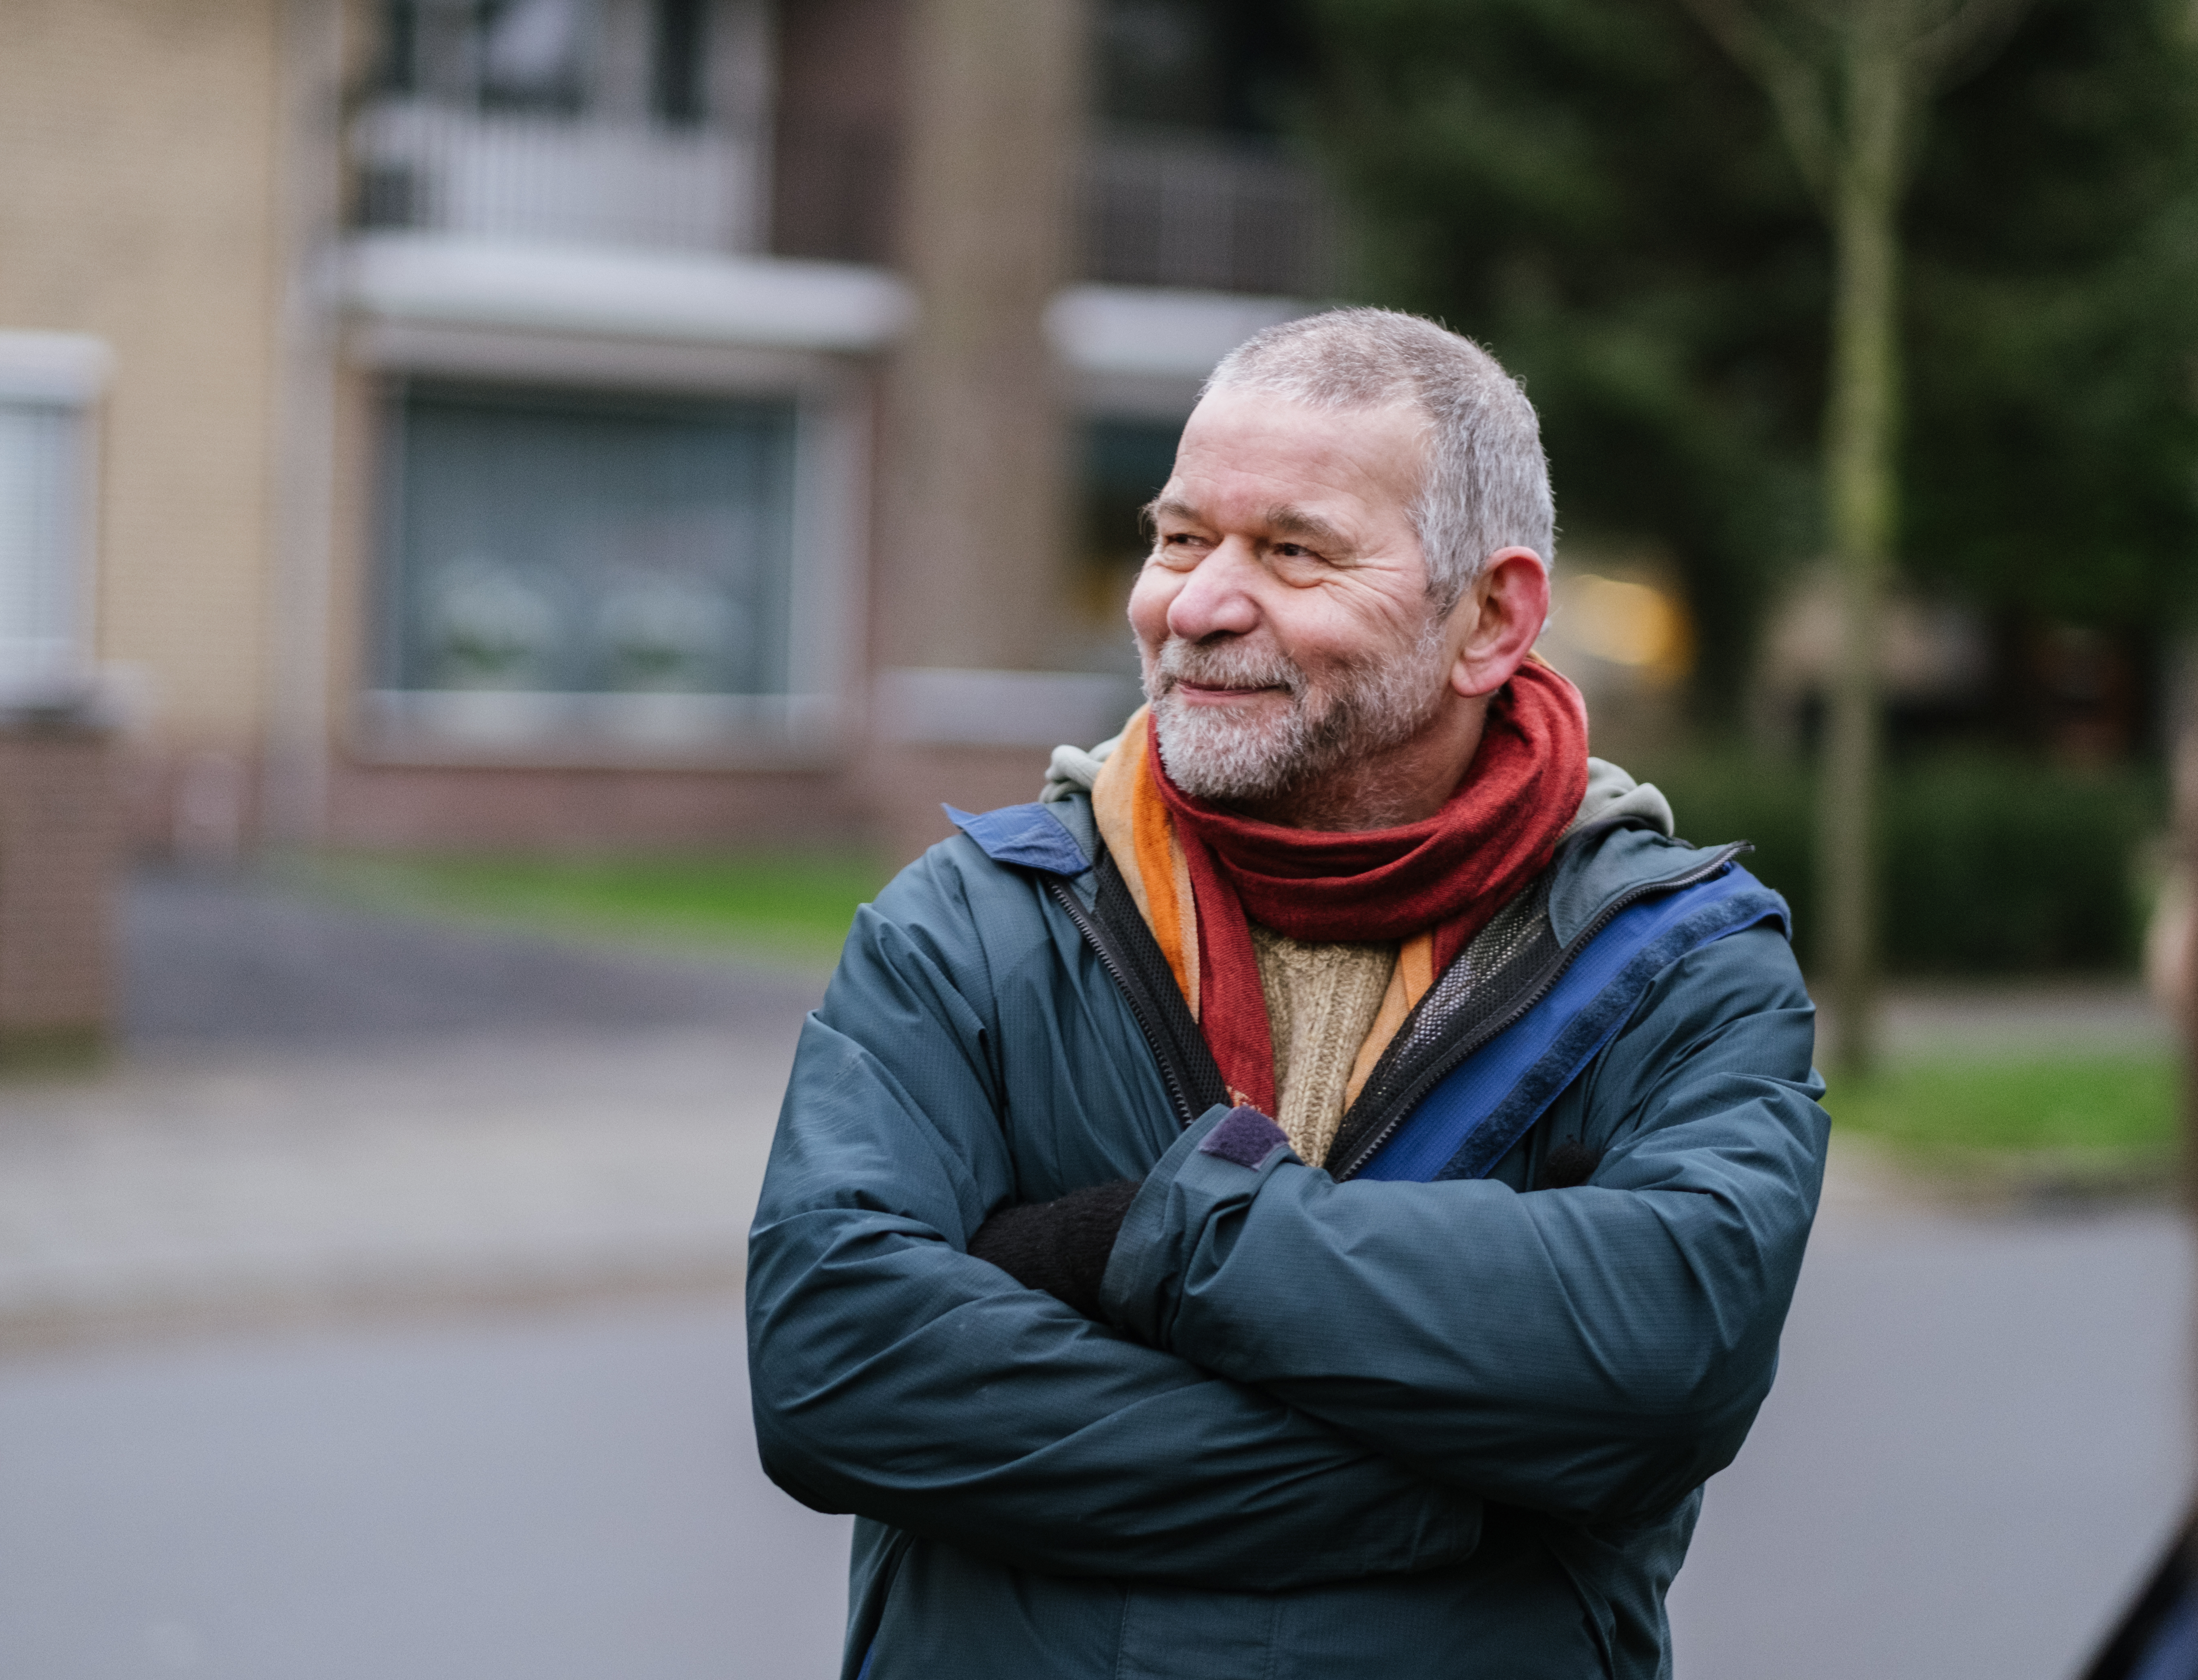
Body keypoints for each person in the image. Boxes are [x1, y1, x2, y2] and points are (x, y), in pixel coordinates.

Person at [745, 307, 1826, 1680]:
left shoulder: (1681, 963)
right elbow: (836, 1369)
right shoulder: (967, 925)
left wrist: (1154, 1240)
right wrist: (1450, 1482)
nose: (1194, 603)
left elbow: (1669, 1352)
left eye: (1293, 551)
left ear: (1490, 616)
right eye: (1180, 537)